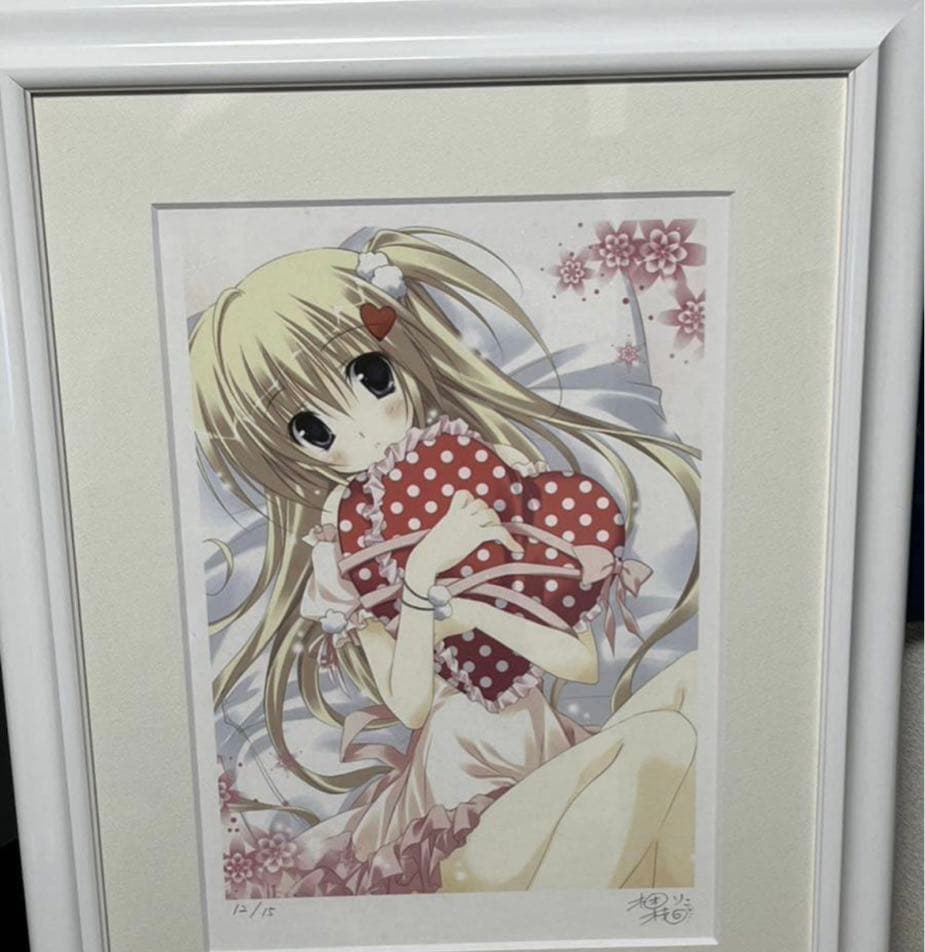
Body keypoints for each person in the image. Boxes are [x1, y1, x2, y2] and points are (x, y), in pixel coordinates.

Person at [192, 228, 699, 896]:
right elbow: (409, 706)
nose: (367, 428)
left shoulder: (484, 480)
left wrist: (477, 607)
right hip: (455, 790)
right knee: (657, 750)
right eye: (314, 429)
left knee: (687, 699)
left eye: (371, 378)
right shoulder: (347, 554)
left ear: (399, 358)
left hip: (543, 745)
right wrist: (422, 576)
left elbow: (578, 663)